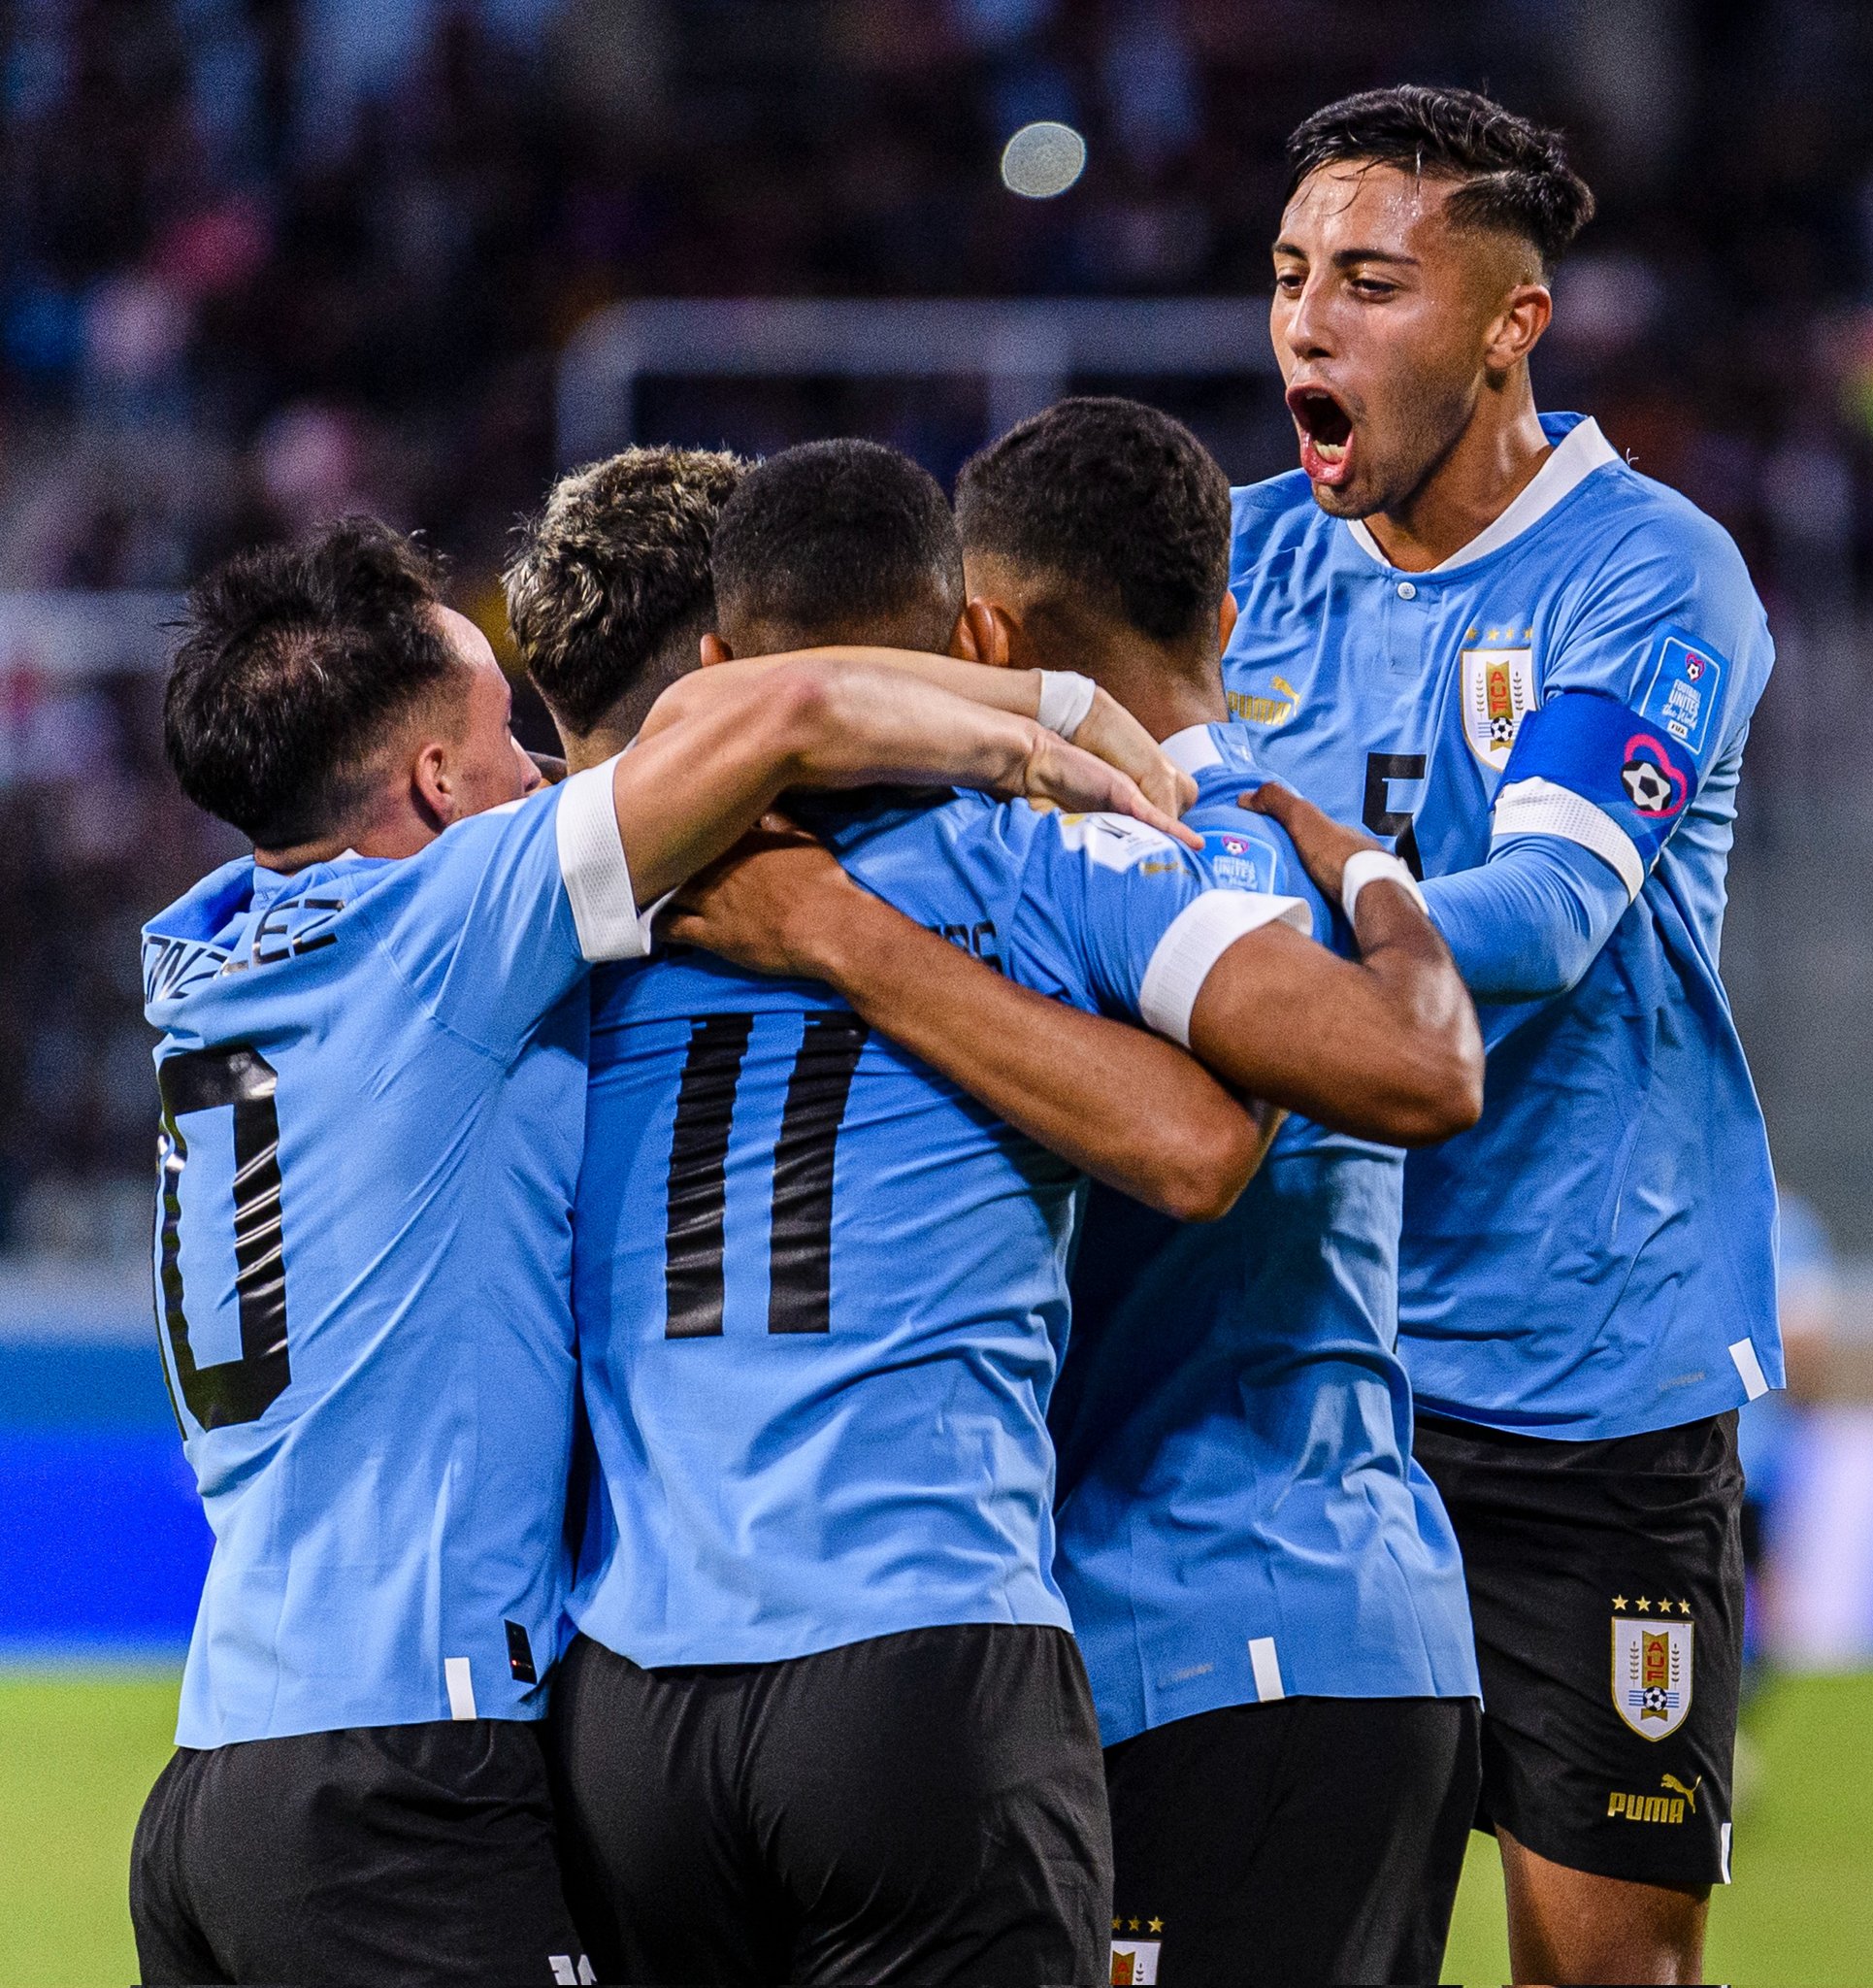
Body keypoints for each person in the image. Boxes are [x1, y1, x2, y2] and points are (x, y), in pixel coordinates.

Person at [130, 515, 1177, 1987]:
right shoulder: (441, 925)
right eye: (509, 738)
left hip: (214, 1778)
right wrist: (1059, 724)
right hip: (398, 1773)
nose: (549, 775)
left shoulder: (214, 967)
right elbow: (789, 709)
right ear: (432, 785)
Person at [522, 438, 1481, 1988]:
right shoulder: (1053, 856)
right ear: (960, 639)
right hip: (923, 1651)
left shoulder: (575, 905)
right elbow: (1224, 1140)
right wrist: (1373, 874)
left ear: (717, 658)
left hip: (632, 1688)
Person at [1223, 84, 1783, 1985]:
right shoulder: (1229, 574)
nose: (1309, 322)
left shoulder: (1645, 574)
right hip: (1287, 1381)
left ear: (1505, 322)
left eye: (1371, 282)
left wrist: (1199, 960)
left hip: (1576, 1382)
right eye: (1291, 274)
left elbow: (1539, 923)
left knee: (1605, 1970)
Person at [949, 394, 1482, 1988]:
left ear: (988, 633)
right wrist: (1383, 871)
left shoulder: (1126, 876)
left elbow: (1196, 1154)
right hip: (1386, 1625)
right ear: (1228, 616)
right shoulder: (1295, 858)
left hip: (1190, 1636)